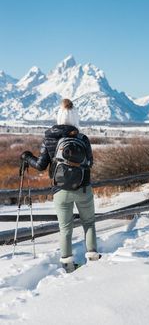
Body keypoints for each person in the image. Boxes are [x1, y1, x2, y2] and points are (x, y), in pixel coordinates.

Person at [20, 98, 100, 273]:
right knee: (89, 223)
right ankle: (93, 258)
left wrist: (27, 157)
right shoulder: (82, 138)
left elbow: (41, 165)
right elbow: (90, 163)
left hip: (60, 190)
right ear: (75, 117)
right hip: (83, 187)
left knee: (65, 228)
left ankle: (68, 265)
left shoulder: (50, 138)